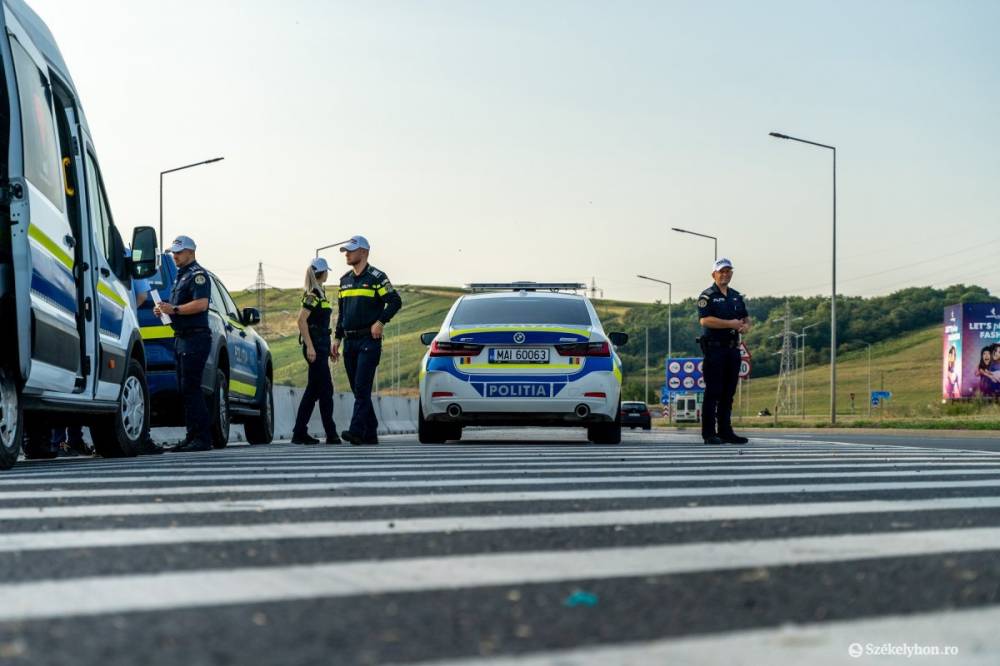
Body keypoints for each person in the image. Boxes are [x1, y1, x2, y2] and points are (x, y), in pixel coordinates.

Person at [333, 235, 402, 445]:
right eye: (345, 251)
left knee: (362, 388)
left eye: (351, 250)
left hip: (369, 342)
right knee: (357, 389)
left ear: (364, 252)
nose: (347, 254)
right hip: (350, 341)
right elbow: (342, 312)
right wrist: (336, 338)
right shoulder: (344, 281)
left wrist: (380, 322)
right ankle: (371, 431)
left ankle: (356, 431)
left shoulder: (376, 278)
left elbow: (395, 301)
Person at [154, 235, 213, 452]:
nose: (175, 256)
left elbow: (201, 304)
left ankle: (202, 438)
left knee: (192, 388)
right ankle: (192, 436)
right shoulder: (181, 277)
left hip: (195, 337)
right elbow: (176, 307)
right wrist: (164, 310)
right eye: (174, 253)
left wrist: (175, 309)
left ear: (191, 252)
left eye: (179, 252)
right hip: (182, 338)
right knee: (185, 390)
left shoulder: (198, 275)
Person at [696, 258, 751, 445]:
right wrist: (730, 324)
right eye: (721, 271)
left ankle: (726, 431)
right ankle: (709, 433)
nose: (725, 274)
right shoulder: (707, 296)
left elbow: (745, 317)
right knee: (714, 392)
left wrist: (745, 326)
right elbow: (704, 320)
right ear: (714, 274)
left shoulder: (736, 296)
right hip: (714, 349)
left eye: (728, 271)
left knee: (728, 393)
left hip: (732, 349)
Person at [291, 257, 341, 445]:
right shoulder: (313, 294)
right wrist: (310, 346)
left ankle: (299, 432)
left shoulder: (321, 293)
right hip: (314, 348)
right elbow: (301, 320)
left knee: (314, 391)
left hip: (320, 345)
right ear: (323, 273)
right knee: (325, 389)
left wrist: (327, 348)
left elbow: (320, 325)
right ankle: (331, 433)